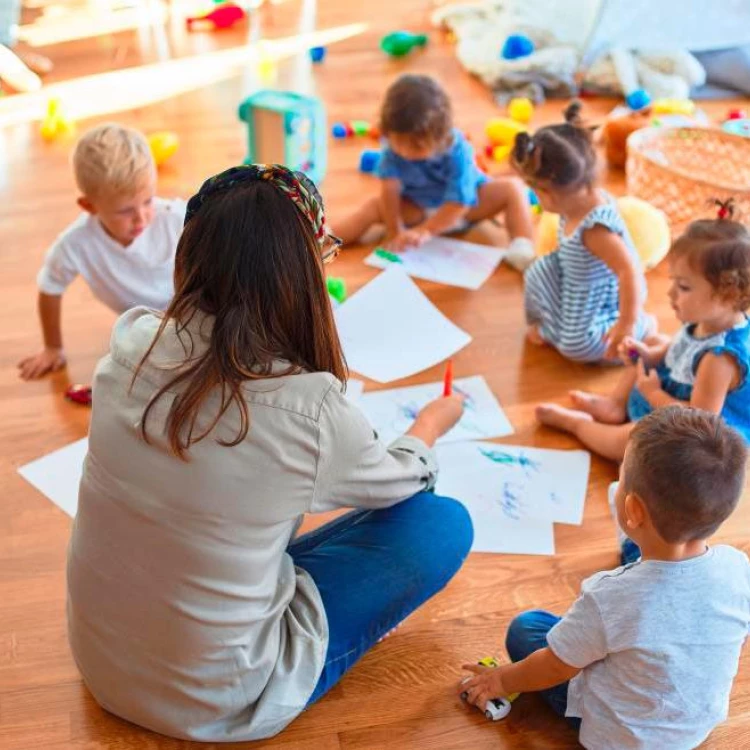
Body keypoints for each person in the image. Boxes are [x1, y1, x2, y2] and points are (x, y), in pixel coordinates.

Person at [66, 164, 473, 742]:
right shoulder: (309, 409)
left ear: (189, 258)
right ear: (304, 273)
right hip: (218, 700)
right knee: (440, 522)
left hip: (104, 662)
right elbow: (403, 483)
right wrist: (430, 424)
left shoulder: (130, 346)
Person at [460, 407, 750, 750]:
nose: (618, 481)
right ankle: (643, 553)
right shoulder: (738, 568)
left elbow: (554, 668)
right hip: (691, 729)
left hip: (618, 738)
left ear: (633, 509)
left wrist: (501, 679)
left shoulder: (610, 597)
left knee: (526, 628)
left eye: (621, 474)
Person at [536, 202, 750, 460]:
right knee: (653, 338)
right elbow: (679, 348)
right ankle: (616, 404)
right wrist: (651, 354)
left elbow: (698, 422)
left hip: (700, 438)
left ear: (727, 296)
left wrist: (654, 394)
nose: (670, 294)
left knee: (634, 439)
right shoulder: (710, 319)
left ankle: (579, 426)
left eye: (683, 287)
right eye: (674, 282)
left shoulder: (719, 360)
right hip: (678, 395)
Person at [18, 123, 185, 380]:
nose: (141, 218)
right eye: (125, 211)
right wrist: (52, 347)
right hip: (142, 330)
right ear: (89, 205)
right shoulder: (75, 244)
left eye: (148, 200)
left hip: (194, 314)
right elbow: (50, 286)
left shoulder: (177, 218)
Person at [333, 74, 535, 267]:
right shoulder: (392, 144)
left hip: (466, 209)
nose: (404, 152)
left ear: (440, 137)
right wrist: (395, 229)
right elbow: (389, 190)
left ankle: (522, 246)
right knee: (373, 207)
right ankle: (323, 242)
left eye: (416, 147)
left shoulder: (459, 150)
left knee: (514, 188)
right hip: (418, 209)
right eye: (398, 144)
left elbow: (459, 203)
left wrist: (425, 231)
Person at [515, 102, 652, 362]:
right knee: (536, 271)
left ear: (551, 192)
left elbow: (628, 270)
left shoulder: (595, 230)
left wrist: (626, 323)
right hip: (575, 283)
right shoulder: (575, 201)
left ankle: (644, 328)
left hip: (602, 302)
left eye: (535, 189)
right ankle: (555, 328)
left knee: (577, 347)